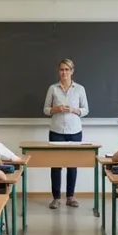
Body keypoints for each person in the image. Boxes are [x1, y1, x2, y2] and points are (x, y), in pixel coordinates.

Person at [43, 58, 89, 209]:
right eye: (61, 69)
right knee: (55, 166)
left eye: (67, 70)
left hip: (75, 132)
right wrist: (57, 109)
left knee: (72, 165)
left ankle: (70, 197)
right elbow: (46, 109)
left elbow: (86, 110)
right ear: (59, 71)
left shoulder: (80, 89)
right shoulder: (53, 88)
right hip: (56, 131)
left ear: (72, 71)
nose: (64, 72)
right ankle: (56, 197)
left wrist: (75, 110)